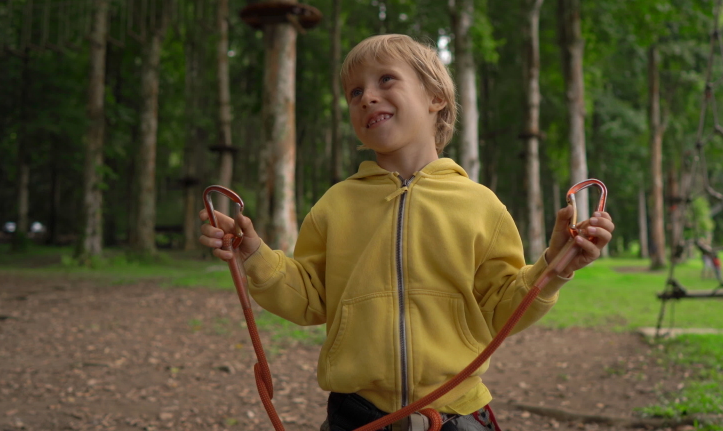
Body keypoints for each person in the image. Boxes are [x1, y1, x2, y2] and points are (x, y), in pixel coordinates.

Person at [199, 34, 615, 431]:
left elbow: (500, 310)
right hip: (356, 416)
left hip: (456, 415)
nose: (368, 97)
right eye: (354, 93)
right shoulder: (335, 205)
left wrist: (554, 268)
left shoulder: (481, 206)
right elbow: (309, 298)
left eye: (385, 79)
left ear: (436, 98)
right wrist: (255, 254)